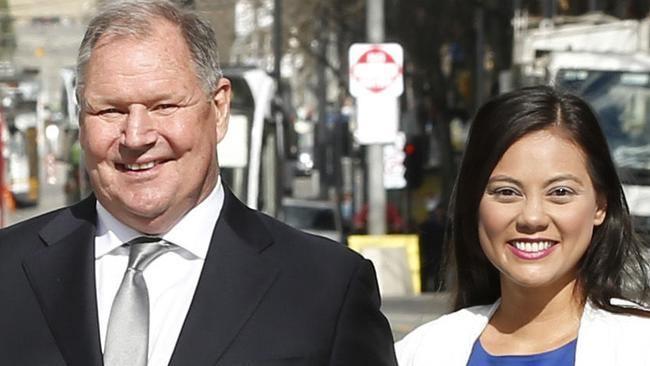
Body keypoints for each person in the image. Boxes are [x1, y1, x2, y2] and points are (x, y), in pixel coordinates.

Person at [0, 1, 397, 365]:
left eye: (164, 106)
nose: (136, 136)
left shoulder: (325, 289)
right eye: (110, 110)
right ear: (81, 118)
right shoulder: (8, 271)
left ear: (219, 108)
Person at [396, 85, 650, 365]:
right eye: (507, 192)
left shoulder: (638, 346)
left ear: (600, 206)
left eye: (560, 192)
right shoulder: (420, 352)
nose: (532, 218)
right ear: (474, 203)